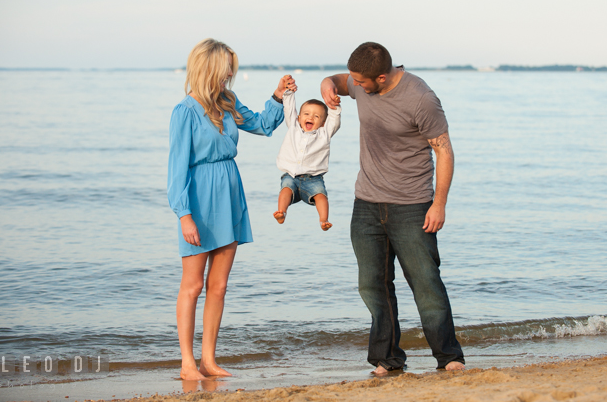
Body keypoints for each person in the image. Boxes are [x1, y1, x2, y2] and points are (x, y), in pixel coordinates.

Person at [320, 42, 465, 375]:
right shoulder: (361, 82)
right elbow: (338, 80)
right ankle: (388, 360)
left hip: (412, 206)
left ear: (382, 77)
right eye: (354, 79)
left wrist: (439, 203)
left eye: (362, 81)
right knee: (373, 286)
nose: (356, 85)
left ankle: (449, 358)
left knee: (426, 283)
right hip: (366, 204)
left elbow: (444, 151)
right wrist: (328, 84)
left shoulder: (421, 99)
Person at [167, 38, 294, 380]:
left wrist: (279, 96)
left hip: (229, 193)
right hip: (199, 199)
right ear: (209, 68)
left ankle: (208, 360)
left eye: (231, 72)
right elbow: (176, 168)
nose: (229, 77)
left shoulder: (228, 102)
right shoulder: (185, 112)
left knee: (219, 286)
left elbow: (263, 125)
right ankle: (186, 363)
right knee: (192, 285)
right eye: (225, 71)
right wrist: (184, 214)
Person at [273, 84, 341, 230]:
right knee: (285, 190)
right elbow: (289, 109)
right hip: (291, 175)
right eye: (306, 114)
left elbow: (334, 121)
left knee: (321, 196)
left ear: (323, 123)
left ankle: (324, 220)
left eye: (316, 116)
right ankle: (281, 212)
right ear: (298, 118)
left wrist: (334, 106)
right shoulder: (293, 127)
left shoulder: (324, 134)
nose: (310, 117)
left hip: (313, 178)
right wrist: (289, 92)